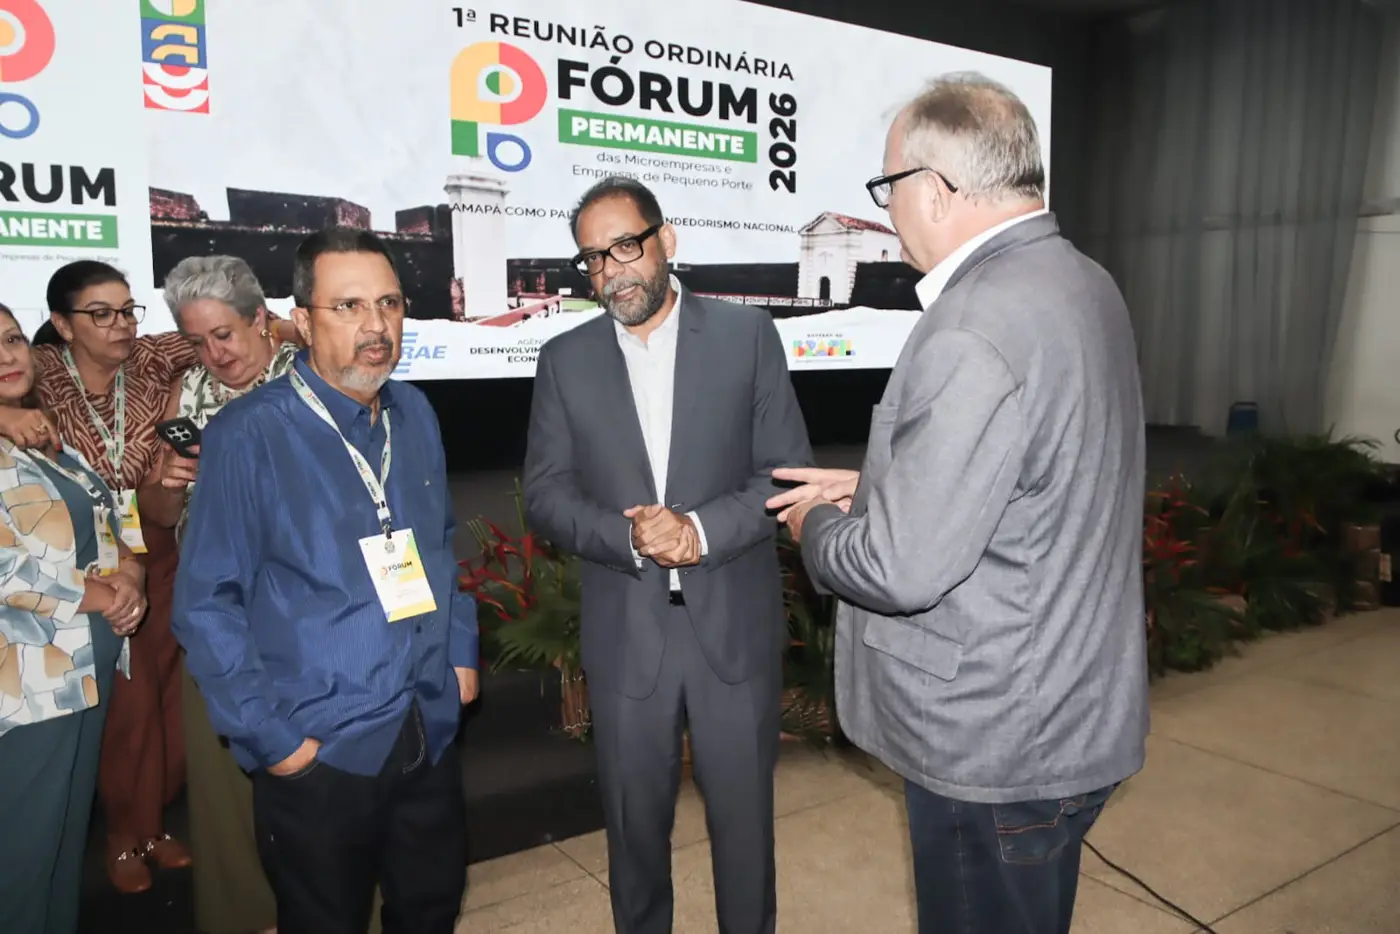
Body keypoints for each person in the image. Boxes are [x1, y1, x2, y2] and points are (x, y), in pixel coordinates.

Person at [766, 73, 1149, 934]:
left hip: (994, 742)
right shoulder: (1083, 282)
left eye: (888, 187)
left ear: (935, 191)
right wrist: (880, 487)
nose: (889, 209)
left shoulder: (974, 324)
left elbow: (898, 569)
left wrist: (815, 522)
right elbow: (1040, 470)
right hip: (1068, 710)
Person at [523, 177, 812, 934]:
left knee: (745, 834)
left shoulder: (747, 337)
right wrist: (628, 537)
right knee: (634, 835)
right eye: (593, 258)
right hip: (627, 634)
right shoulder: (564, 360)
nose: (611, 270)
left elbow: (783, 475)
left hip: (732, 629)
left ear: (667, 239)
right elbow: (545, 495)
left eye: (625, 246)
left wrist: (697, 532)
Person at [172, 228, 479, 934]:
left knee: (430, 910)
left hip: (428, 720)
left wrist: (460, 650)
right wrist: (275, 744)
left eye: (389, 303)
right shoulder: (249, 434)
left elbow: (437, 541)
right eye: (348, 306)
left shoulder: (415, 413)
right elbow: (207, 605)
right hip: (322, 747)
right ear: (303, 322)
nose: (376, 327)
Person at [0, 259, 199, 893]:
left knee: (167, 695)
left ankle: (155, 825)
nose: (121, 325)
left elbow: (215, 331)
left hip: (147, 546)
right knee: (125, 707)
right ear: (62, 325)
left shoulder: (150, 359)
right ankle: (120, 833)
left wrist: (284, 326)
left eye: (128, 310)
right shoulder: (37, 371)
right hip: (79, 566)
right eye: (100, 314)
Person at [138, 255, 298, 934]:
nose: (214, 354)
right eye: (197, 341)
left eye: (224, 334)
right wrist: (166, 483)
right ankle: (247, 917)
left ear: (261, 318)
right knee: (226, 779)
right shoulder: (189, 393)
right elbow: (159, 517)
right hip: (215, 611)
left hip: (300, 607)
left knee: (318, 778)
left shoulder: (310, 380)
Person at [0, 300, 148, 934]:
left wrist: (132, 574)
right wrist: (101, 597)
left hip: (83, 672)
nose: (6, 355)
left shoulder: (44, 437)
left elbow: (108, 519)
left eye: (12, 339)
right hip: (23, 685)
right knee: (22, 857)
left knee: (61, 852)